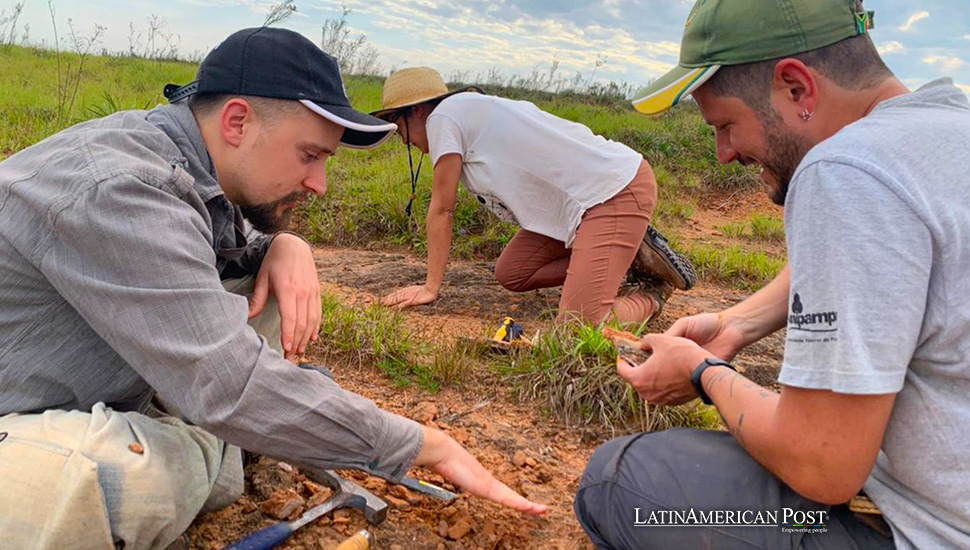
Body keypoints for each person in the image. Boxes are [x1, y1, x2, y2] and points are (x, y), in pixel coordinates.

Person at [0, 27, 544, 550]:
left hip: (61, 380)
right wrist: (417, 444)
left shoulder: (180, 159)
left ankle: (218, 433)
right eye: (309, 155)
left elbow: (214, 243)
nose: (319, 184)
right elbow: (229, 384)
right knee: (137, 478)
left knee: (262, 285)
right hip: (15, 406)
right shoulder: (121, 189)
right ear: (237, 121)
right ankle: (207, 442)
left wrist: (283, 246)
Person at [575, 0, 970, 549]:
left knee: (624, 481)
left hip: (929, 534)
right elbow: (883, 263)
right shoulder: (944, 132)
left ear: (796, 88)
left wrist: (703, 374)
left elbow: (821, 461)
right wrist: (737, 324)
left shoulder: (847, 171)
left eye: (727, 124)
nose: (723, 152)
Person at [373, 67, 696, 325]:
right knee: (514, 272)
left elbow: (442, 209)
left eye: (396, 124)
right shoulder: (465, 112)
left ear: (416, 111)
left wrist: (430, 288)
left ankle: (652, 294)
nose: (403, 140)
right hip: (581, 205)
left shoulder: (443, 117)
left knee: (580, 327)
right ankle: (629, 259)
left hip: (613, 191)